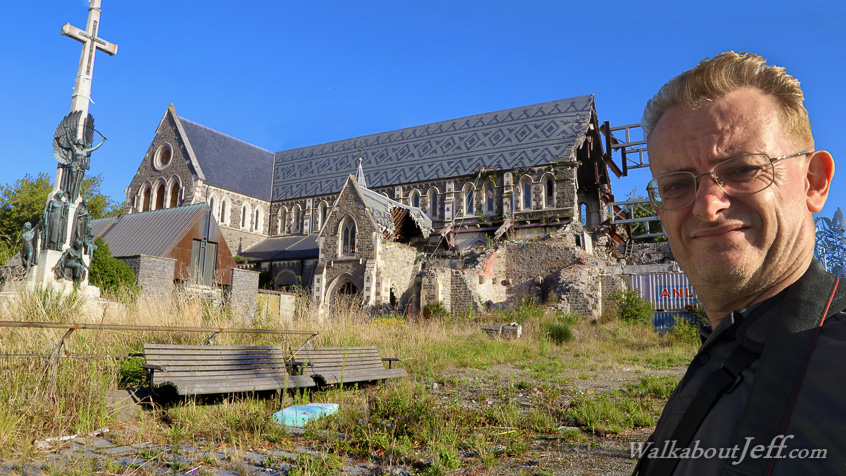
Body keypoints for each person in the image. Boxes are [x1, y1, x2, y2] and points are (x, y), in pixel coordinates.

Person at [632, 52, 840, 475]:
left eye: (744, 169)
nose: (707, 206)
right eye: (676, 184)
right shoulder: (728, 345)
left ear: (813, 182)